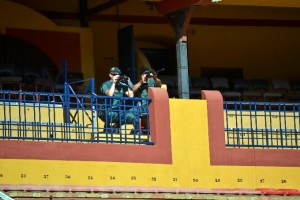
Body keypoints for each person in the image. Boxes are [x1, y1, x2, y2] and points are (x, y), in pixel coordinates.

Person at [98, 67, 139, 133]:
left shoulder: (122, 85)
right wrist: (114, 83)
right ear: (110, 75)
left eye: (117, 74)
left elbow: (131, 96)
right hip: (107, 110)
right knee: (110, 115)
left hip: (119, 111)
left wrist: (128, 83)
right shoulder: (106, 84)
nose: (116, 76)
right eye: (114, 74)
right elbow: (110, 94)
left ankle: (136, 133)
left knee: (132, 117)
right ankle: (107, 128)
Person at [132, 67, 162, 132]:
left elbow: (159, 84)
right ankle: (137, 131)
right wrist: (141, 82)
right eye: (144, 74)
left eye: (146, 74)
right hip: (142, 106)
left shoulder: (152, 80)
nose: (146, 75)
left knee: (151, 119)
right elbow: (133, 89)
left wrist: (154, 77)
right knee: (133, 113)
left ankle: (150, 131)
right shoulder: (140, 82)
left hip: (151, 105)